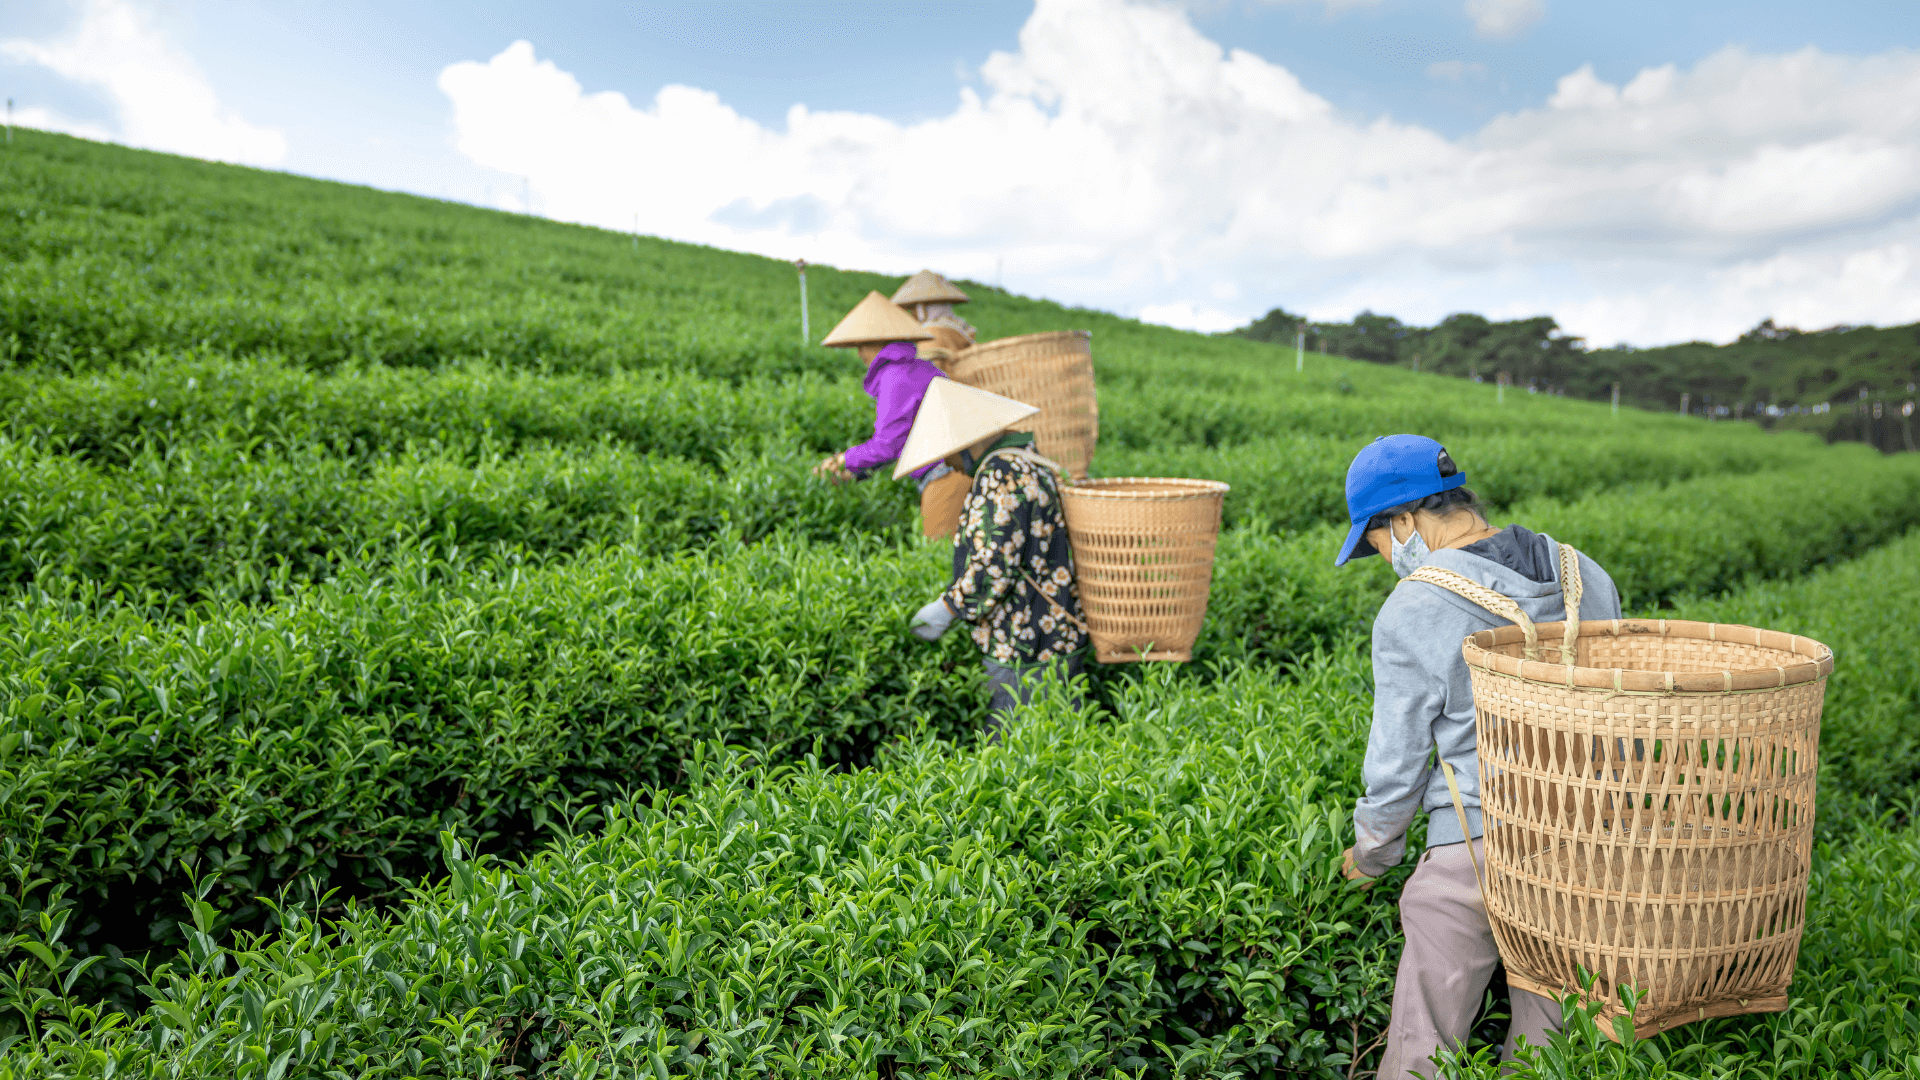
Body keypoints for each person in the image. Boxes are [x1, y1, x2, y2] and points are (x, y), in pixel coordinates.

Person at [1332, 434, 1623, 1080]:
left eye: (1376, 542)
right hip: (1588, 843)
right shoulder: (1585, 573)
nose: (1384, 558)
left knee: (1421, 1049)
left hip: (1477, 851)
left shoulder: (1415, 607)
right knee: (1548, 1053)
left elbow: (1396, 766)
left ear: (1403, 520)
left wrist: (1372, 854)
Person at [898, 379, 1087, 736]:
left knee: (1012, 750)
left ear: (968, 441)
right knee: (1061, 740)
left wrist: (949, 607)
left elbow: (994, 564)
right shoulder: (1031, 460)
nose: (950, 463)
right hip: (1057, 630)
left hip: (1023, 640)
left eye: (948, 451)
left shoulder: (1000, 474)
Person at [815, 291, 973, 540]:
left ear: (882, 341)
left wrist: (842, 460)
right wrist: (856, 472)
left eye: (862, 344)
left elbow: (888, 445)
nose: (859, 353)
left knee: (938, 554)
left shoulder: (896, 377)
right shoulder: (913, 368)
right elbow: (901, 443)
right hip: (958, 466)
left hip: (949, 471)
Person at [890, 269, 977, 367]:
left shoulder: (931, 331)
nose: (912, 314)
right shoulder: (955, 326)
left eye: (914, 309)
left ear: (923, 309)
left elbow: (927, 367)